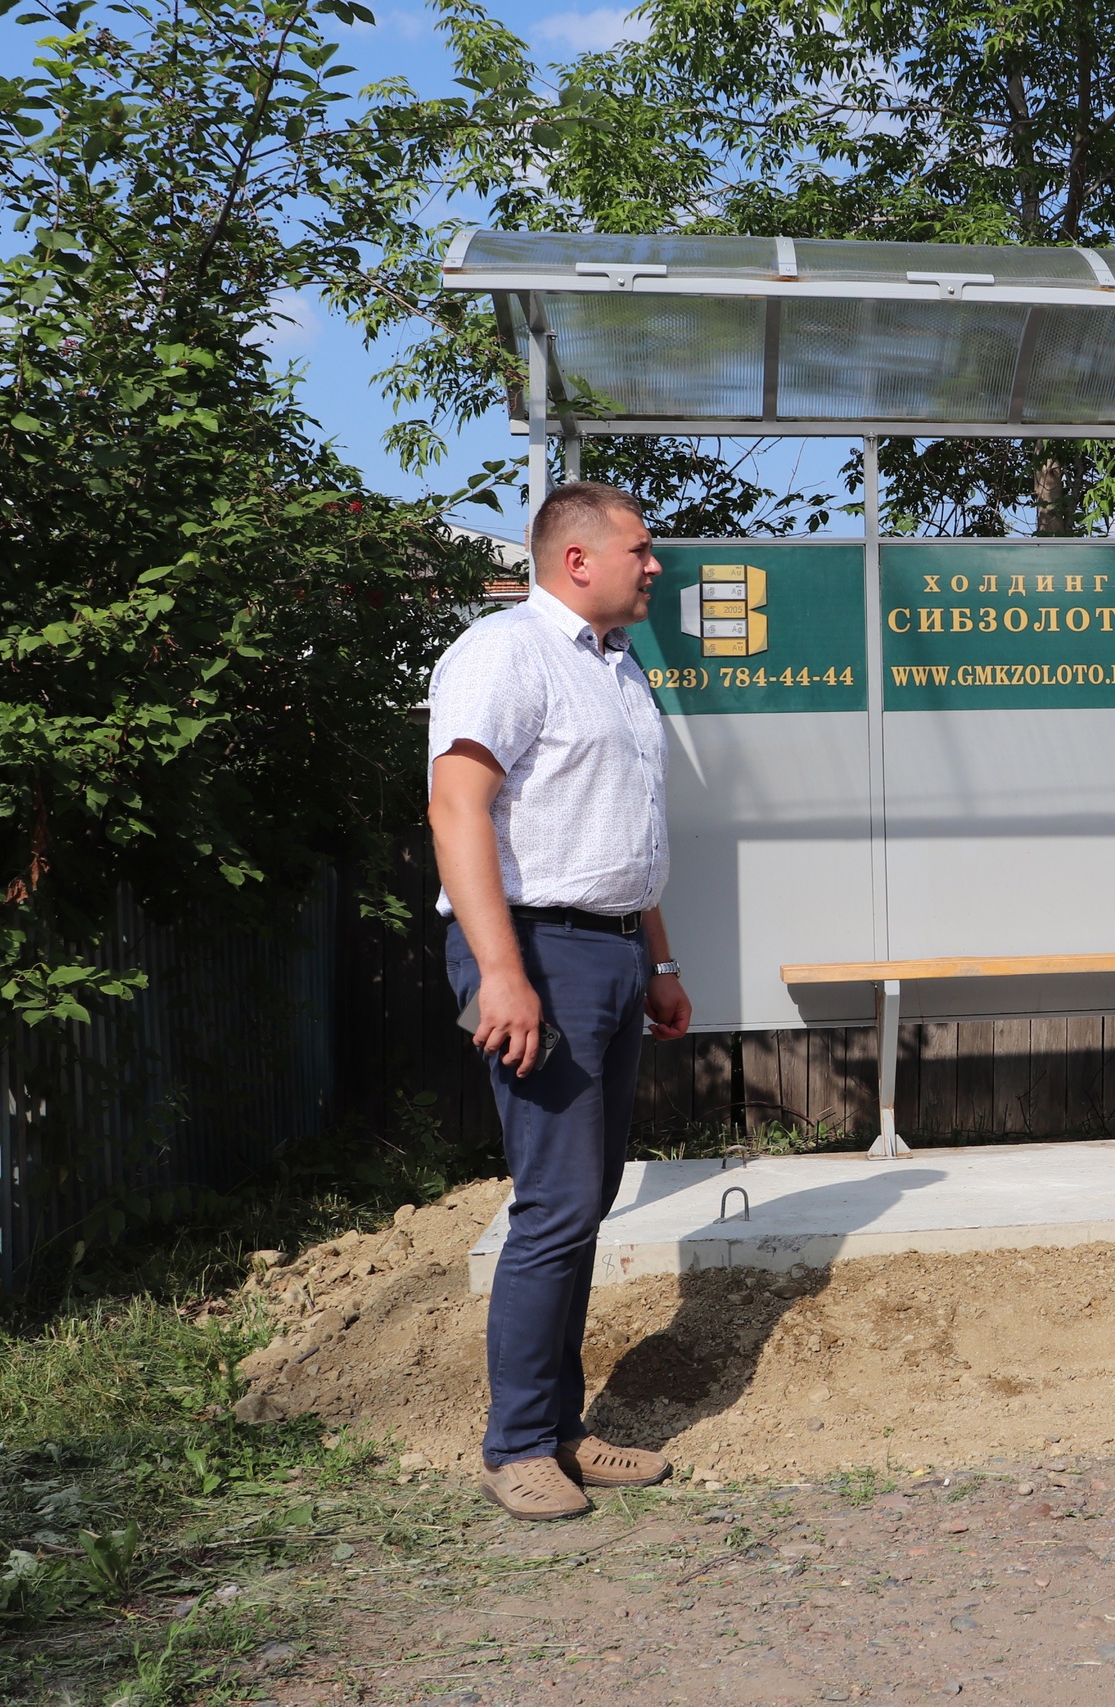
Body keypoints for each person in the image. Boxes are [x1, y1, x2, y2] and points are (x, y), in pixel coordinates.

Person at [429, 480, 695, 1518]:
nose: (655, 565)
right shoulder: (506, 652)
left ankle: (562, 1432)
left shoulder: (619, 673)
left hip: (612, 952)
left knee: (581, 1201)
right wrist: (501, 971)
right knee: (552, 1203)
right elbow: (456, 808)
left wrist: (660, 963)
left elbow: (627, 835)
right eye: (642, 547)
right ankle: (516, 1448)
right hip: (535, 950)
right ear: (577, 559)